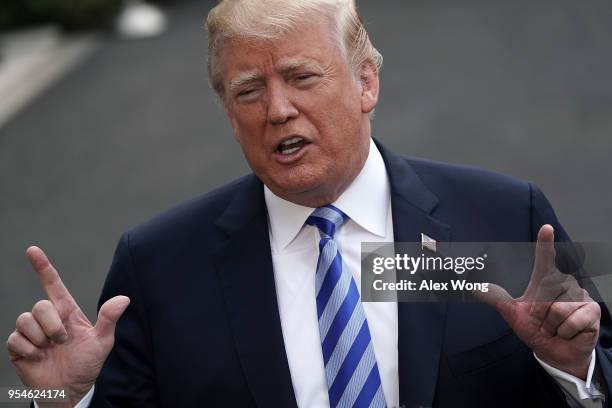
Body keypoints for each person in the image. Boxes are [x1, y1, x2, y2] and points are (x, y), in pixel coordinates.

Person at [6, 1, 612, 407]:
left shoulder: (502, 215)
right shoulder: (158, 265)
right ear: (227, 112)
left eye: (302, 77)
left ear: (367, 81)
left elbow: (599, 373)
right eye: (249, 90)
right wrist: (59, 399)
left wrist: (573, 369)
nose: (277, 110)